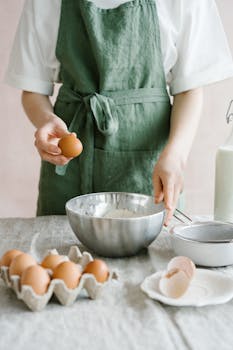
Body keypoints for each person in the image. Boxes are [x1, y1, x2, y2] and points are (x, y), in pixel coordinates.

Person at [5, 0, 233, 225]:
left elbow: (189, 89)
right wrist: (47, 120)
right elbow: (32, 89)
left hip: (150, 166)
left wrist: (175, 157)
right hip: (69, 168)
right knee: (61, 253)